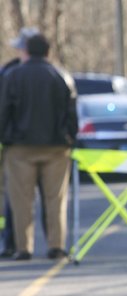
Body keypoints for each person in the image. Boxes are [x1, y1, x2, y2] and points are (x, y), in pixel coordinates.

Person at [0, 33, 78, 260]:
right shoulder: (61, 76)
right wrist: (70, 137)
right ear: (47, 52)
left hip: (20, 147)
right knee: (56, 199)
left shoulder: (13, 76)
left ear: (26, 51)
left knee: (21, 200)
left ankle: (23, 247)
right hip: (56, 148)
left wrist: (5, 137)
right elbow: (71, 111)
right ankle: (56, 245)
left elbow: (4, 110)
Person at [0, 27, 49, 258]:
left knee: (33, 199)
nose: (18, 51)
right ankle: (11, 242)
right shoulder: (8, 71)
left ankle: (48, 245)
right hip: (16, 145)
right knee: (14, 199)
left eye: (21, 47)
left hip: (24, 145)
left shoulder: (15, 73)